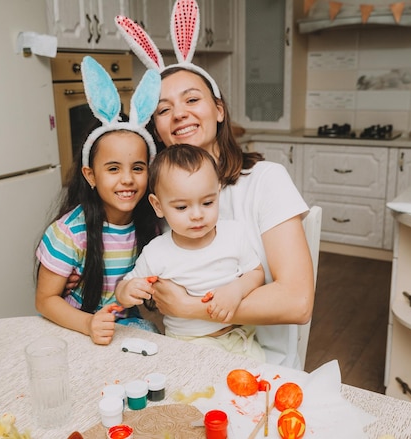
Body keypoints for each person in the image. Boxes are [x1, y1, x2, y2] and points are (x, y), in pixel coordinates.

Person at [115, 0, 314, 368]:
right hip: (183, 355)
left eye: (192, 99)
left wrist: (190, 307)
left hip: (259, 362)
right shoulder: (155, 197)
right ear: (156, 127)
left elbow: (297, 302)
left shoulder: (266, 181)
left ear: (219, 110)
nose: (179, 113)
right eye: (163, 109)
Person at [34, 56, 162, 345]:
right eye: (113, 168)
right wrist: (88, 323)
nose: (127, 179)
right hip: (75, 328)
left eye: (138, 168)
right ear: (91, 176)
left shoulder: (150, 228)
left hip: (124, 329)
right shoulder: (69, 233)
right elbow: (44, 300)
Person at [116, 144, 266, 360]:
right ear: (158, 206)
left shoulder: (233, 234)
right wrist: (127, 291)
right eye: (182, 208)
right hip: (189, 345)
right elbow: (124, 290)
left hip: (240, 337)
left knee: (260, 384)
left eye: (207, 202)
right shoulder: (157, 252)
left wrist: (237, 290)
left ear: (217, 193)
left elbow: (256, 272)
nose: (197, 215)